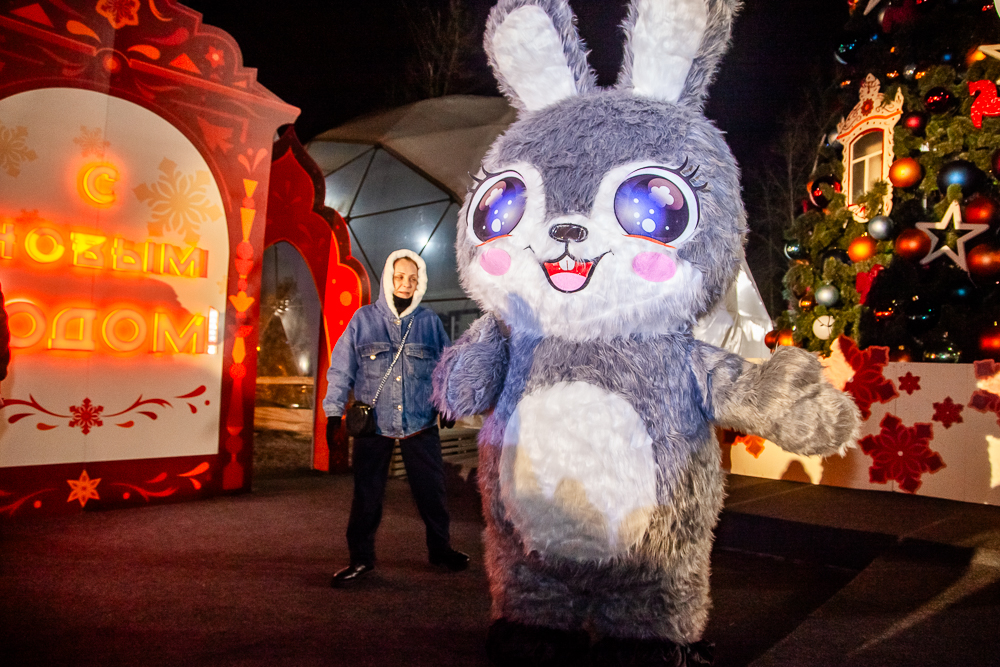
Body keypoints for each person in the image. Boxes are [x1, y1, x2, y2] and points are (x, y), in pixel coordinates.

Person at [323, 249, 468, 586]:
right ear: (388, 278)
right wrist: (333, 413)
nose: (406, 284)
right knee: (367, 496)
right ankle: (360, 559)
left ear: (421, 284)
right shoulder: (362, 320)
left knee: (432, 492)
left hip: (419, 423)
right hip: (374, 426)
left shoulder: (430, 322)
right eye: (400, 277)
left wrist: (448, 403)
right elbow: (342, 369)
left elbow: (446, 366)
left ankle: (440, 549)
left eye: (413, 279)